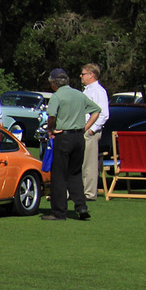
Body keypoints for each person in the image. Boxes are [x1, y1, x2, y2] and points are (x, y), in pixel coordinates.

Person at [43, 67, 99, 221]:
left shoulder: (57, 96)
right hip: (78, 138)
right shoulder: (79, 94)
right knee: (75, 173)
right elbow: (96, 110)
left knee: (59, 175)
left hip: (64, 137)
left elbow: (52, 116)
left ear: (54, 83)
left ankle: (59, 212)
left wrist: (51, 130)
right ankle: (81, 206)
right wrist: (85, 128)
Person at [80, 63, 110, 201]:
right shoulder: (87, 90)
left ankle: (89, 193)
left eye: (83, 73)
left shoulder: (98, 91)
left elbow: (103, 114)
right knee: (81, 161)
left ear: (91, 75)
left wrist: (92, 130)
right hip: (82, 129)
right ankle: (79, 190)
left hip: (90, 131)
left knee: (90, 163)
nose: (81, 76)